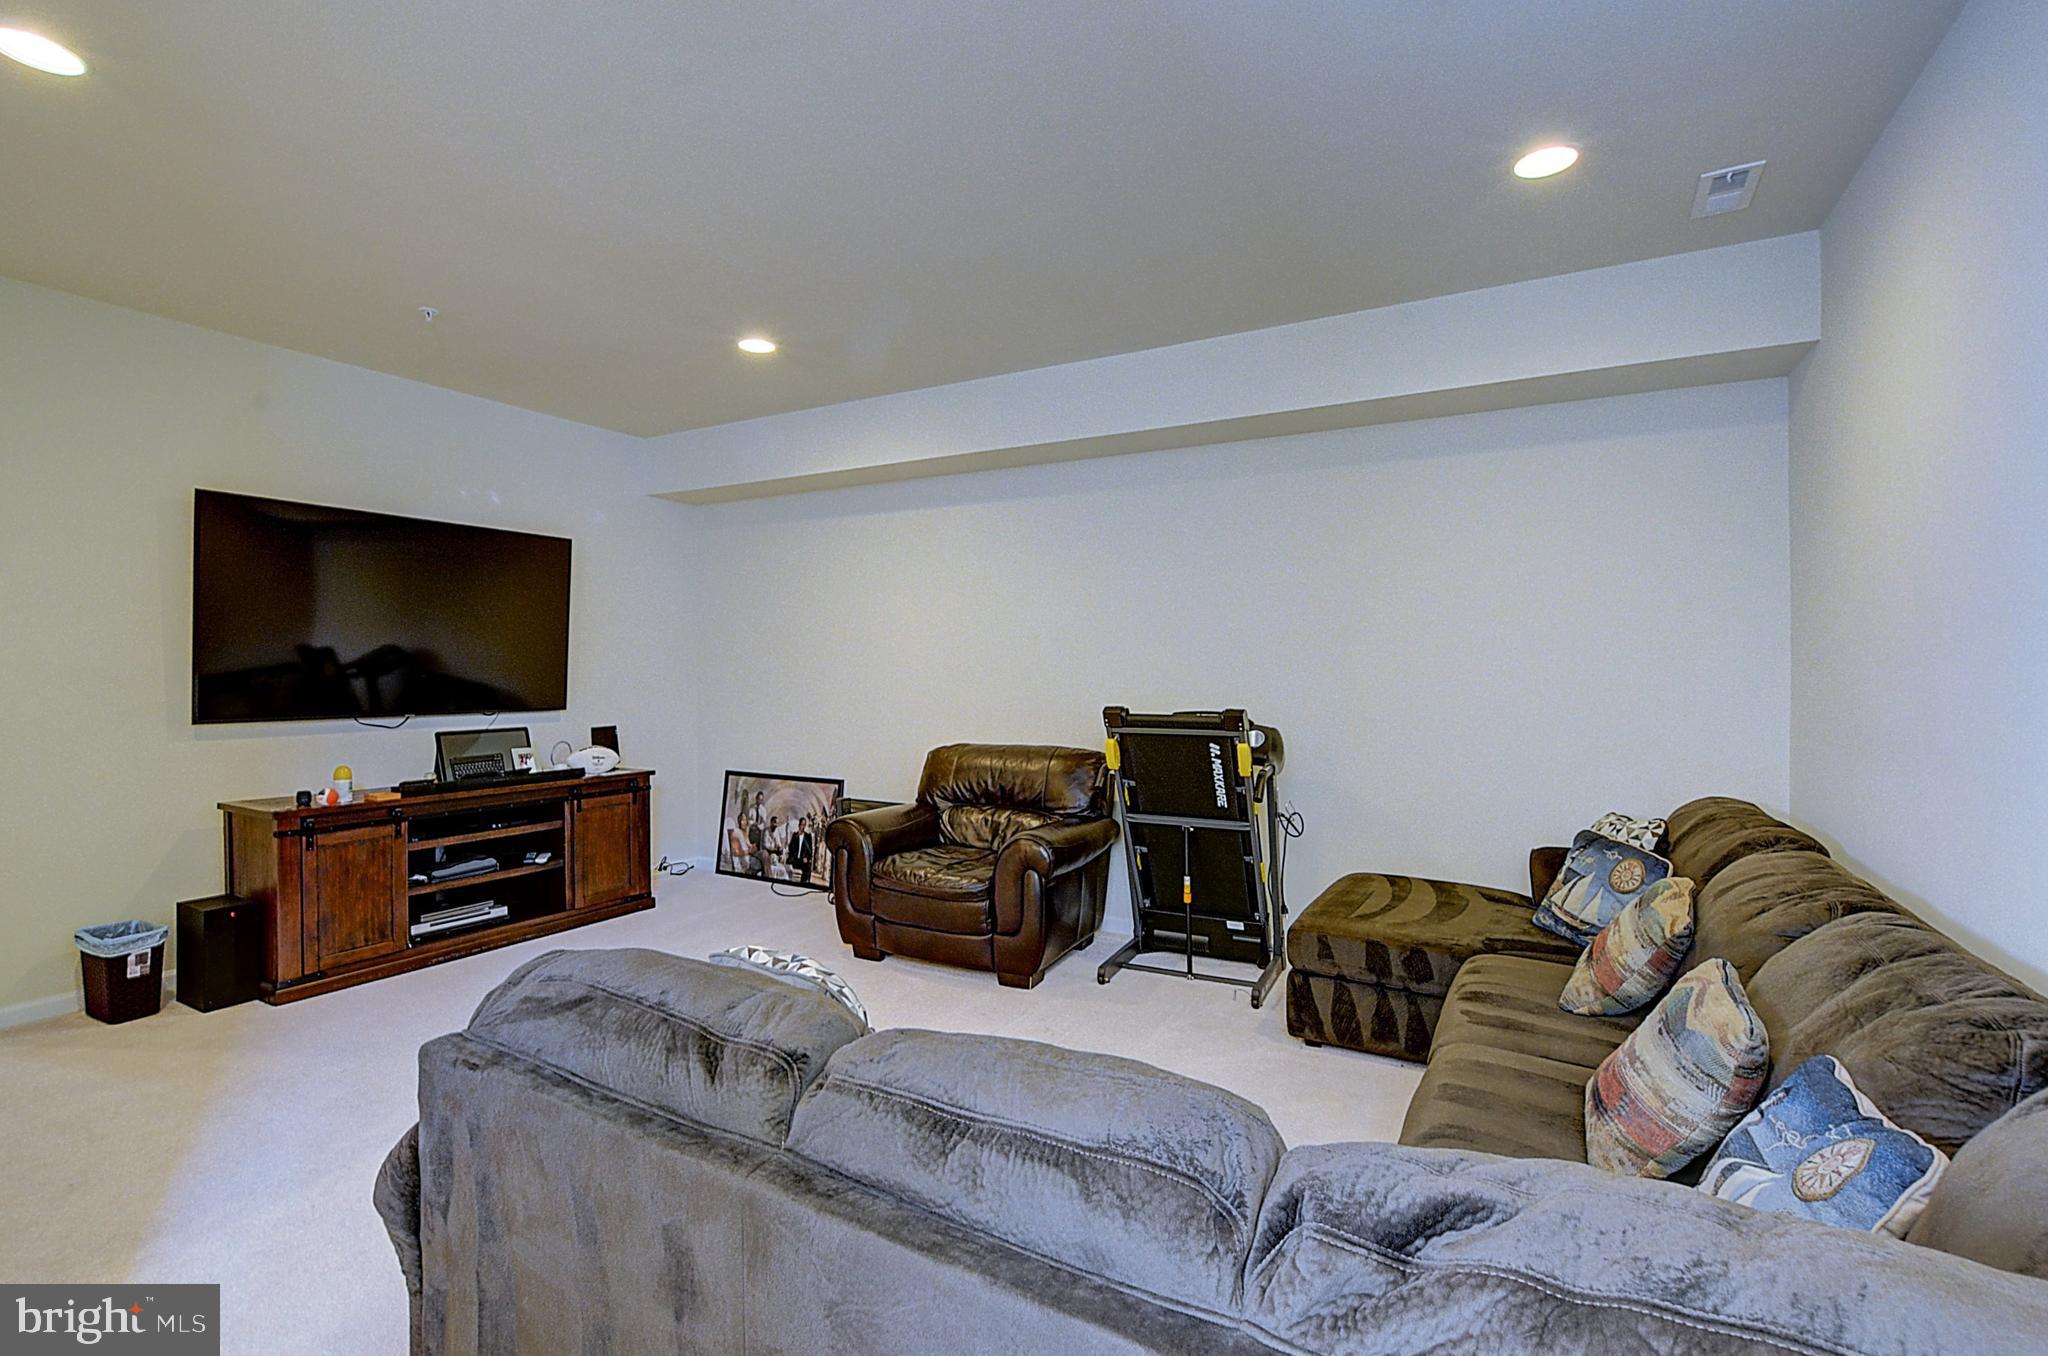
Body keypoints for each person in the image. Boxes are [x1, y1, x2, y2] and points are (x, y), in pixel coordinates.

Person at [787, 814, 817, 886]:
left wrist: (807, 858)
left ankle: (803, 884)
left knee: (807, 868)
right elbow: (790, 848)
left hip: (802, 860)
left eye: (804, 825)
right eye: (801, 825)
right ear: (799, 825)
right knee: (788, 865)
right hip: (794, 859)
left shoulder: (808, 837)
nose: (802, 827)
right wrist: (797, 837)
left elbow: (810, 851)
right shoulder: (795, 835)